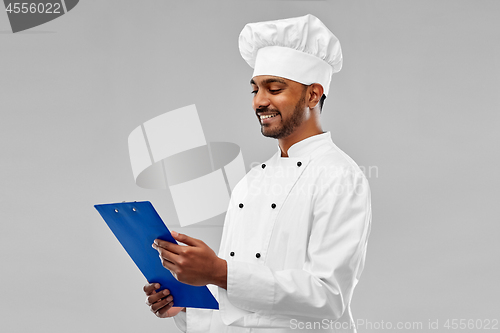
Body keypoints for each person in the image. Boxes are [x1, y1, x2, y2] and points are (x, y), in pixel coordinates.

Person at [143, 14, 371, 333]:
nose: (259, 102)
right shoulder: (251, 183)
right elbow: (240, 304)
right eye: (255, 90)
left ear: (313, 95)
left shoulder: (339, 176)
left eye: (274, 88)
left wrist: (219, 271)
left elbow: (329, 297)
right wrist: (187, 304)